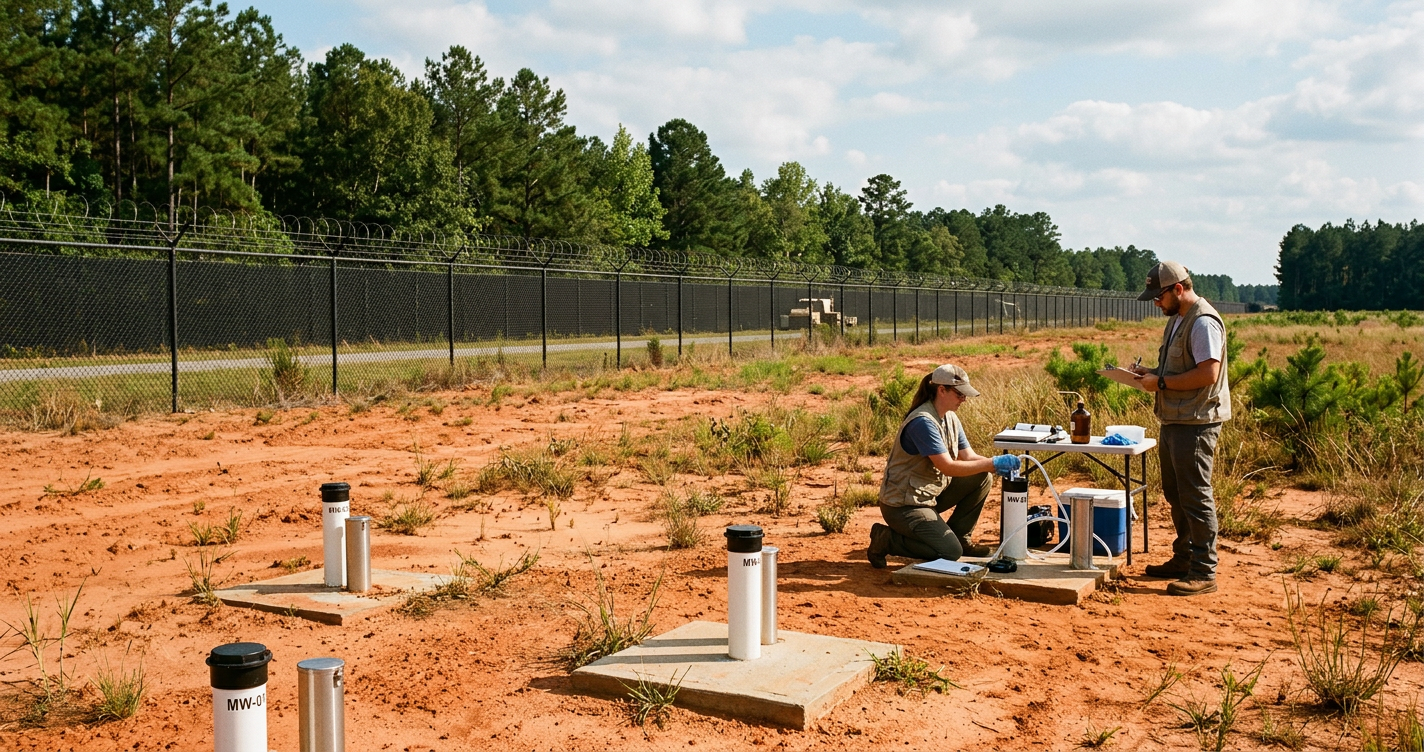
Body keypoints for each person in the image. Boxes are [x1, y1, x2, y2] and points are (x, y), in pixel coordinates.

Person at [1130, 261, 1231, 596]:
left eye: (1159, 297)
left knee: (1195, 496)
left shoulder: (1202, 323)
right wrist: (1149, 372)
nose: (1156, 304)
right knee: (1176, 495)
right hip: (1176, 419)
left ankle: (1203, 571)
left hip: (1197, 423)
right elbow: (1177, 368)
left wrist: (1159, 383)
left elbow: (1207, 374)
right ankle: (1184, 558)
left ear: (1178, 289)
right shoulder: (1177, 320)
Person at [867, 364, 1020, 568]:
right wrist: (992, 463)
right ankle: (886, 539)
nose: (963, 399)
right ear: (942, 390)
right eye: (959, 394)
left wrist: (995, 465)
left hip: (927, 495)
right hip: (904, 505)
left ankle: (960, 537)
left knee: (982, 477)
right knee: (949, 552)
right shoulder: (923, 422)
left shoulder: (950, 417)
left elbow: (969, 457)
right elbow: (948, 466)